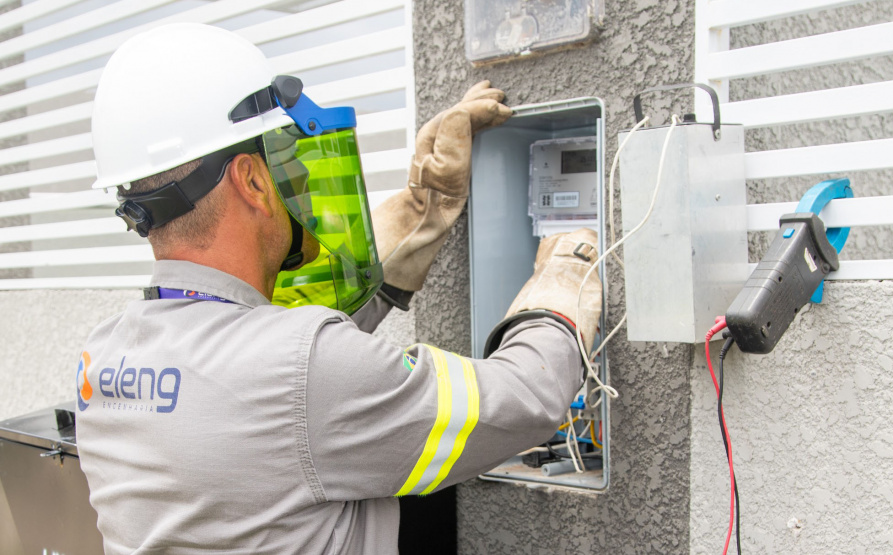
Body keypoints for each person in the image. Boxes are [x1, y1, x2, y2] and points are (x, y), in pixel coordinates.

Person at [75, 23, 602, 554]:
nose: (302, 178)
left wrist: (424, 206)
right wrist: (566, 278)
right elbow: (525, 399)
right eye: (288, 158)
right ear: (252, 180)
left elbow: (272, 361)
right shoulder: (301, 371)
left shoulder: (104, 357)